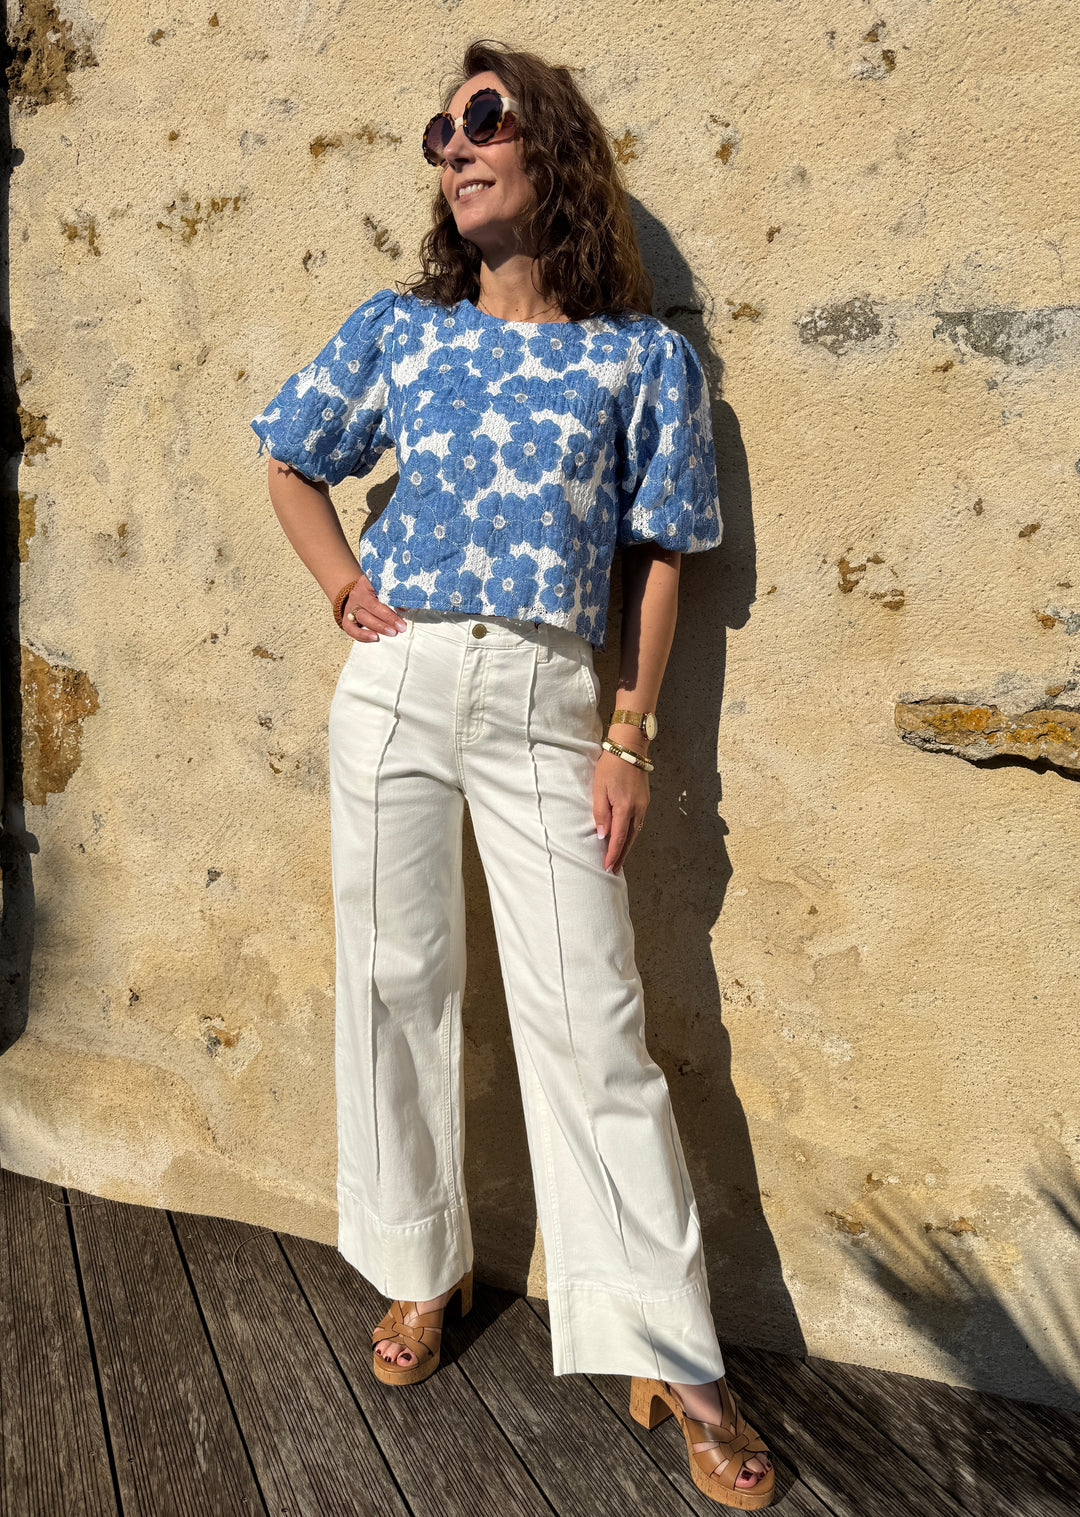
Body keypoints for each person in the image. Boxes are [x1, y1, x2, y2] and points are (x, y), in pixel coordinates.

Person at [250, 38, 774, 1508]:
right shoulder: (401, 332)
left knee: (593, 1022)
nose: (455, 148)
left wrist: (631, 734)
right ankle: (421, 1266)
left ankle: (674, 1353)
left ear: (553, 148)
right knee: (394, 978)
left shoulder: (640, 358)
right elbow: (289, 456)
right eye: (440, 133)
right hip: (401, 686)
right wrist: (345, 588)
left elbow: (663, 554)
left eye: (483, 121)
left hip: (549, 698)